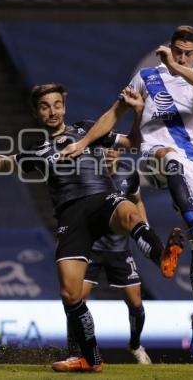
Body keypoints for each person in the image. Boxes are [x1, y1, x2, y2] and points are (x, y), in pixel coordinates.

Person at [0, 83, 183, 373]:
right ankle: (90, 358)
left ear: (63, 106)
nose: (52, 111)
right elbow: (3, 163)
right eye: (44, 106)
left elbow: (134, 143)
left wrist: (136, 112)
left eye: (56, 104)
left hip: (101, 198)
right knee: (70, 294)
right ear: (37, 112)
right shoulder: (36, 151)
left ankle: (162, 256)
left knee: (128, 214)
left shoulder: (86, 130)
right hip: (71, 217)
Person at [62, 26, 193, 359]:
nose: (182, 55)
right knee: (168, 158)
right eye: (178, 49)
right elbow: (111, 115)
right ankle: (190, 222)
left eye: (188, 52)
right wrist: (84, 142)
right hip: (155, 152)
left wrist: (177, 68)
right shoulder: (147, 76)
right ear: (171, 46)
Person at [61, 149, 153, 367]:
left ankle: (135, 345)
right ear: (97, 153)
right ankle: (75, 352)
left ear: (120, 152)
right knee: (75, 298)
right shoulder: (87, 176)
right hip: (90, 246)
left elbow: (137, 200)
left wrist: (144, 227)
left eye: (115, 149)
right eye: (105, 149)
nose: (110, 153)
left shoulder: (129, 175)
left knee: (136, 303)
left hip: (119, 248)